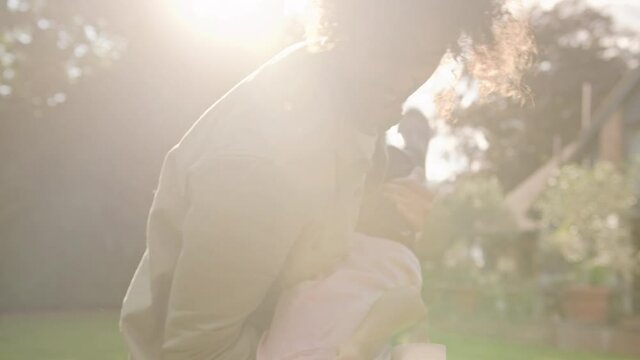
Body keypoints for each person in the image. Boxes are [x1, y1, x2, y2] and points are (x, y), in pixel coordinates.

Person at [120, 1, 533, 359]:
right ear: (351, 20)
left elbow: (317, 231)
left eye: (426, 54)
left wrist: (388, 216)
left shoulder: (354, 94)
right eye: (390, 50)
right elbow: (199, 354)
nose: (404, 78)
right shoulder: (262, 167)